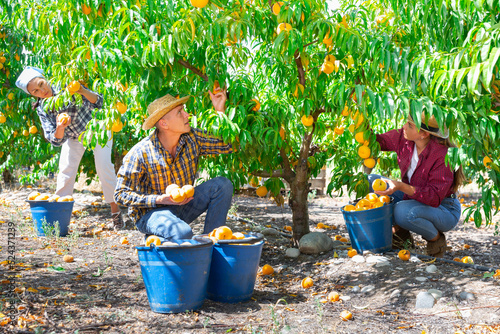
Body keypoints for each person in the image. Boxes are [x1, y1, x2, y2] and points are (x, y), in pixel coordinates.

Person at [114, 90, 234, 242]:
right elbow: (120, 194)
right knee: (182, 233)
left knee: (222, 185)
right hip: (151, 213)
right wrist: (159, 199)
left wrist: (220, 110)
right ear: (164, 124)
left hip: (183, 206)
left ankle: (214, 241)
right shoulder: (140, 153)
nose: (187, 115)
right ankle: (157, 238)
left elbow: (226, 146)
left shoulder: (192, 139)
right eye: (180, 112)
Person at [15, 66, 123, 228]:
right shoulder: (43, 108)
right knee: (65, 171)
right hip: (75, 136)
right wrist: (60, 127)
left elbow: (99, 102)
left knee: (103, 166)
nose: (42, 91)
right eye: (35, 91)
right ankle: (58, 216)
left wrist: (81, 90)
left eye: (41, 84)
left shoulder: (65, 84)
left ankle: (116, 212)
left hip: (97, 127)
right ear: (32, 95)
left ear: (45, 78)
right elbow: (55, 140)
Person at [368, 112, 465, 257]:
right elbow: (378, 142)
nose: (404, 126)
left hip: (443, 208)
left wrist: (400, 186)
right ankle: (401, 236)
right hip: (415, 199)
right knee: (371, 180)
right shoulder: (404, 138)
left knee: (401, 211)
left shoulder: (442, 154)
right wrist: (362, 124)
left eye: (410, 125)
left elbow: (433, 197)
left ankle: (436, 239)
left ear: (424, 134)